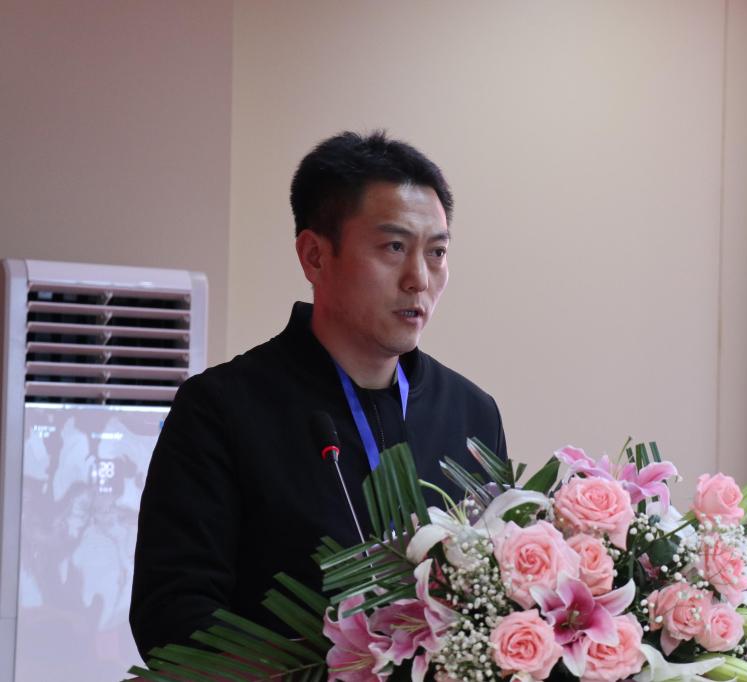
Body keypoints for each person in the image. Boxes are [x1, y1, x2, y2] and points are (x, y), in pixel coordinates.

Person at [130, 131, 507, 658]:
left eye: (437, 252)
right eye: (394, 247)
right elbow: (173, 617)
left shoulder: (471, 414)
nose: (419, 279)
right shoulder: (220, 409)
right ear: (314, 256)